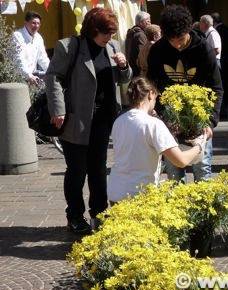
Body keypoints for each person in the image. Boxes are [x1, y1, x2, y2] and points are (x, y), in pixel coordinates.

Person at [45, 8, 132, 233]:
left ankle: (99, 212)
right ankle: (74, 215)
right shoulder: (69, 47)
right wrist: (58, 109)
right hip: (77, 119)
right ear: (94, 30)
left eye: (112, 33)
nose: (110, 38)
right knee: (77, 170)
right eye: (106, 33)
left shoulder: (112, 47)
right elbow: (53, 77)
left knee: (98, 169)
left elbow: (123, 79)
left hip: (103, 120)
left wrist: (124, 66)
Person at [147, 5, 223, 182]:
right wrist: (159, 114)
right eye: (171, 40)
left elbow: (217, 87)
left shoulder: (203, 49)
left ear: (189, 29)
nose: (176, 44)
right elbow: (152, 84)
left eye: (180, 39)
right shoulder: (158, 50)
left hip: (199, 119)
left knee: (202, 172)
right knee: (174, 175)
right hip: (169, 120)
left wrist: (210, 121)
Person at [107, 77, 206, 203]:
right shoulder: (153, 124)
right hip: (139, 196)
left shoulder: (119, 121)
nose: (155, 102)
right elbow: (181, 161)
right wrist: (200, 145)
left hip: (116, 192)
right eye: (155, 98)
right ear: (151, 94)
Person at [211, 12, 228, 119]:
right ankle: (226, 103)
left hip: (222, 58)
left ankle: (223, 106)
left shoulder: (216, 31)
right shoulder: (227, 29)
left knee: (221, 82)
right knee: (225, 81)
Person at [13, 11, 49, 86]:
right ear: (26, 23)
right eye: (33, 23)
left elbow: (43, 58)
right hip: (18, 78)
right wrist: (28, 75)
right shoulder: (17, 36)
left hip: (33, 77)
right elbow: (18, 59)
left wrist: (52, 71)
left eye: (38, 23)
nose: (36, 26)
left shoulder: (38, 37)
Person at [125, 11, 151, 76]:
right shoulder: (140, 35)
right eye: (148, 21)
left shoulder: (132, 32)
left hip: (133, 68)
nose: (150, 24)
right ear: (140, 23)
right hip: (139, 70)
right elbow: (143, 55)